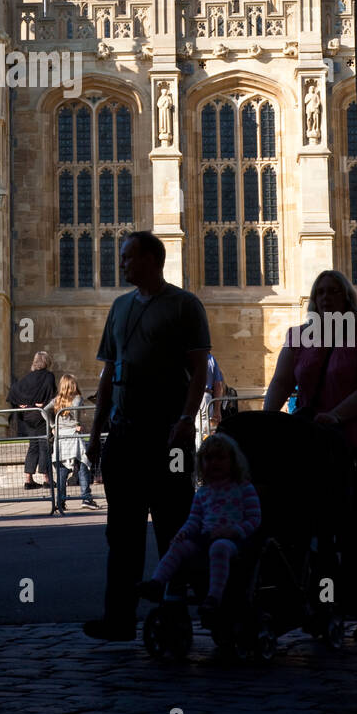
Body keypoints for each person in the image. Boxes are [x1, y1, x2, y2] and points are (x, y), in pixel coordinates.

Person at [83, 230, 211, 641]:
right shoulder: (119, 308)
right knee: (122, 531)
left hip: (166, 435)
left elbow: (199, 369)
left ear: (153, 260)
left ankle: (178, 614)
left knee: (173, 526)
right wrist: (96, 429)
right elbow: (107, 373)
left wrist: (187, 419)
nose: (122, 264)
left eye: (128, 257)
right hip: (123, 434)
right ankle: (118, 618)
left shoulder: (184, 305)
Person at [264, 268, 357, 637]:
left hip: (350, 444)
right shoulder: (299, 337)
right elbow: (280, 383)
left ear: (346, 297)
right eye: (320, 292)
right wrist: (266, 425)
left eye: (333, 292)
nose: (326, 298)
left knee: (353, 533)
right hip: (310, 447)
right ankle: (323, 608)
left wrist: (336, 415)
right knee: (318, 534)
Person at [138, 433, 261, 626]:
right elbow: (194, 520)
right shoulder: (203, 493)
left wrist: (235, 531)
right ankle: (157, 583)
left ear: (233, 461)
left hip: (235, 541)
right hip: (206, 537)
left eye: (220, 458)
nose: (214, 462)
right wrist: (184, 532)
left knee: (219, 548)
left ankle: (214, 597)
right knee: (178, 547)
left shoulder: (244, 488)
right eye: (208, 458)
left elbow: (254, 519)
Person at [43, 374, 99, 511]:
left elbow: (44, 411)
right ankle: (86, 498)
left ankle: (60, 501)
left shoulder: (57, 400)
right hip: (73, 435)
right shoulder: (78, 399)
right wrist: (76, 424)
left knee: (62, 470)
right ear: (73, 385)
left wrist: (53, 426)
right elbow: (76, 417)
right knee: (82, 467)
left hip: (60, 437)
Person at [8, 351, 56, 489]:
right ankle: (47, 479)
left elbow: (13, 391)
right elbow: (51, 395)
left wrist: (22, 404)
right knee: (44, 445)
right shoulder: (48, 376)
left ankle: (28, 480)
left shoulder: (27, 378)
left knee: (33, 446)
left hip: (28, 416)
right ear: (47, 362)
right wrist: (41, 403)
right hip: (41, 415)